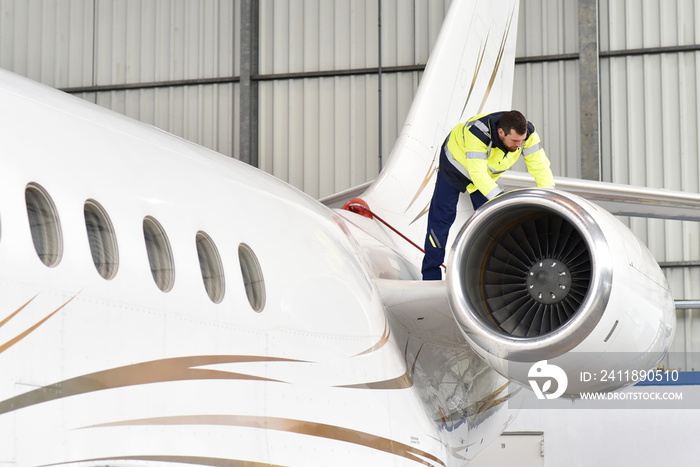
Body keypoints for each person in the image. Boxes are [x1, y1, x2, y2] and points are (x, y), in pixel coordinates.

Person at [421, 110, 554, 280]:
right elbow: (478, 175)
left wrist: (550, 197)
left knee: (496, 224)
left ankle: (491, 278)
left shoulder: (526, 135)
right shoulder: (477, 133)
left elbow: (540, 167)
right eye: (514, 141)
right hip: (455, 167)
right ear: (500, 132)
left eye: (522, 141)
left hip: (484, 174)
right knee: (441, 220)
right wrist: (502, 201)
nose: (519, 146)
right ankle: (430, 277)